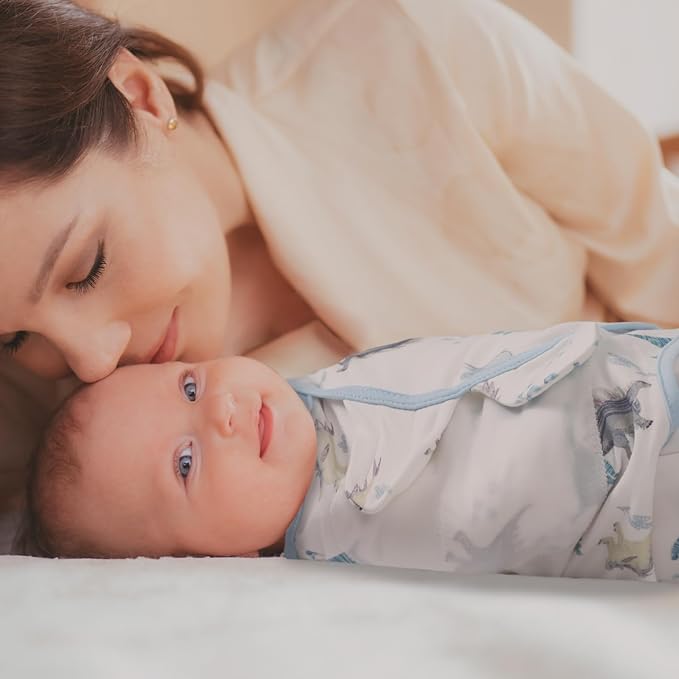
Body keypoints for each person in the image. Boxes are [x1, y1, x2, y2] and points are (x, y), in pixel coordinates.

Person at [3, 0, 679, 540]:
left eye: (85, 268)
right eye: (13, 337)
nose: (90, 361)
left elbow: (660, 251)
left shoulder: (413, 47)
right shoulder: (49, 428)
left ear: (141, 98)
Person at [18, 320, 679, 582]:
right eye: (184, 463)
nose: (220, 409)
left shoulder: (317, 380)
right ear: (209, 562)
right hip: (642, 498)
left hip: (636, 368)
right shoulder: (336, 559)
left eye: (190, 386)